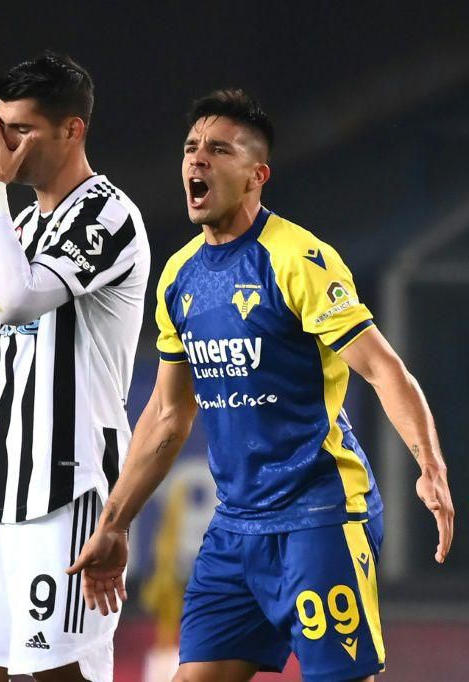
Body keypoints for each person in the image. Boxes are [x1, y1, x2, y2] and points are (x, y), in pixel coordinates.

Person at [68, 89, 455, 682]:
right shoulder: (180, 276)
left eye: (218, 150)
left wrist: (429, 465)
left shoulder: (297, 259)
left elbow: (382, 369)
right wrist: (114, 522)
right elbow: (169, 418)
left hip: (320, 518)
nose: (196, 160)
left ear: (257, 175)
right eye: (191, 147)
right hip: (234, 531)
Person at [0, 53, 151, 682]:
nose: (1, 148)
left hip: (70, 492)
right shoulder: (23, 224)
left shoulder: (108, 216)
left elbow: (17, 297)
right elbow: (6, 364)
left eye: (21, 130)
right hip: (2, 496)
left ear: (72, 130)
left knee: (60, 676)